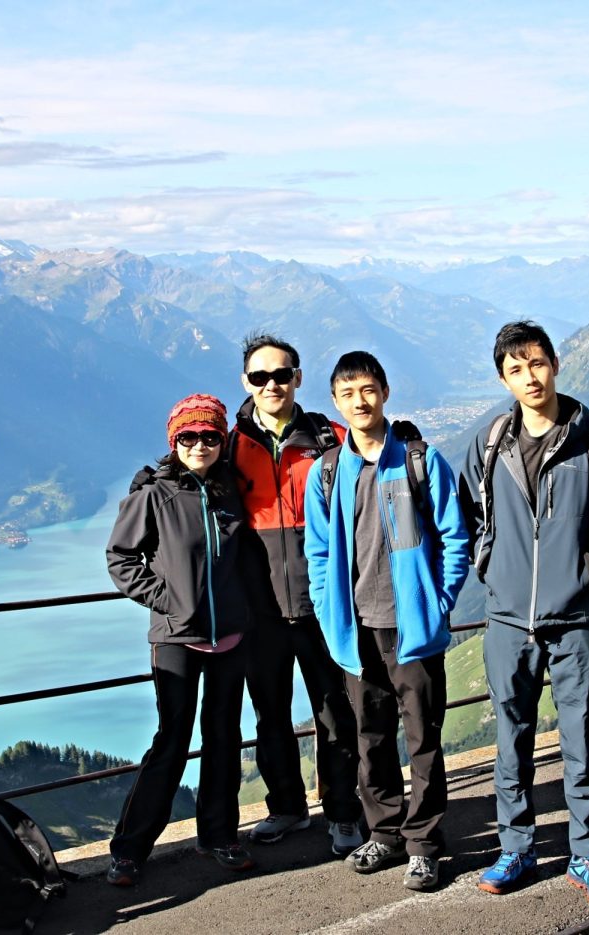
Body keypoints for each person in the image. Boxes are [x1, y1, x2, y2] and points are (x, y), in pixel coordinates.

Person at [457, 321, 589, 908]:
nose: (529, 377)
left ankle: (588, 856)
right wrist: (491, 562)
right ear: (503, 378)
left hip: (576, 617)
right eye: (515, 369)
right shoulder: (489, 444)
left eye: (536, 363)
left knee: (581, 739)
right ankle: (516, 848)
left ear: (555, 363)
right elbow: (471, 518)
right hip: (508, 620)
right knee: (513, 740)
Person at [304, 351, 470, 892]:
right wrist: (331, 621)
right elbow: (320, 554)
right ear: (335, 402)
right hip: (357, 631)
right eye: (348, 393)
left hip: (413, 631)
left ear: (385, 392)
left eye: (368, 389)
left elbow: (454, 536)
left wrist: (437, 602)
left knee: (423, 741)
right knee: (370, 739)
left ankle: (424, 845)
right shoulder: (328, 473)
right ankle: (387, 833)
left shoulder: (420, 460)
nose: (360, 401)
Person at [103, 393, 265, 886]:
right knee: (170, 742)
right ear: (174, 442)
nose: (200, 444)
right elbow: (121, 560)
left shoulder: (231, 490)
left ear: (222, 440)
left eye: (210, 436)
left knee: (223, 740)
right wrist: (172, 600)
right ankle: (129, 850)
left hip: (231, 637)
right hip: (177, 638)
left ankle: (219, 836)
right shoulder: (155, 494)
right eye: (189, 436)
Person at [229, 333, 364, 856]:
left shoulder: (329, 438)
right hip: (260, 608)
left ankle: (344, 812)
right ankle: (286, 807)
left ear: (298, 379)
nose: (271, 385)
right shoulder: (230, 442)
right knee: (270, 716)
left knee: (335, 714)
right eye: (260, 377)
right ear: (246, 382)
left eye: (281, 375)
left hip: (322, 603)